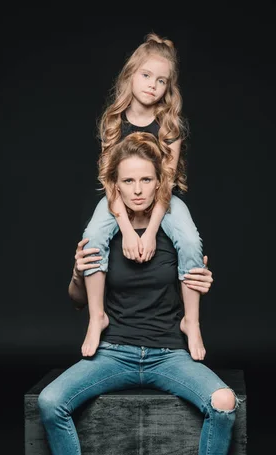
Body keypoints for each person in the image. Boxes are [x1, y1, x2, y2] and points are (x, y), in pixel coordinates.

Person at [38, 132, 243, 455]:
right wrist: (77, 272)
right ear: (115, 185)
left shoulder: (176, 231)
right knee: (50, 401)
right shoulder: (105, 233)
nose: (136, 189)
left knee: (225, 403)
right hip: (114, 351)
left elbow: (196, 274)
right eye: (128, 180)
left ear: (158, 184)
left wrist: (203, 285)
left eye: (145, 180)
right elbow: (76, 297)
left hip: (169, 354)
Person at [80, 32, 207, 362]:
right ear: (130, 75)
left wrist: (150, 231)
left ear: (168, 88)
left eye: (161, 80)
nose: (152, 85)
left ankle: (191, 320)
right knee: (92, 237)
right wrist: (124, 227)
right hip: (117, 198)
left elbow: (165, 183)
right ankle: (97, 316)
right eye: (146, 75)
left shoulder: (169, 126)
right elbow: (110, 179)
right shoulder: (113, 121)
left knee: (191, 242)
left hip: (163, 199)